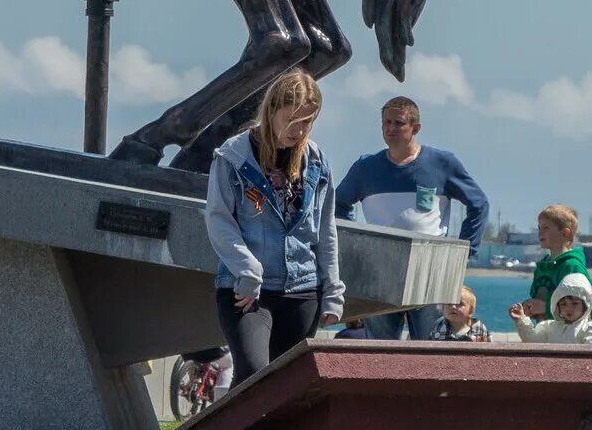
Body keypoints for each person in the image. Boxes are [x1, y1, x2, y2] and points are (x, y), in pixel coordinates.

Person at [205, 69, 344, 382]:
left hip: (302, 291)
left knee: (286, 386)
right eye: (292, 120)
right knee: (254, 375)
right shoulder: (233, 156)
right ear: (271, 111)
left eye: (307, 121)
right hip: (247, 291)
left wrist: (333, 290)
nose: (299, 130)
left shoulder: (317, 160)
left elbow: (325, 231)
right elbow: (218, 219)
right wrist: (247, 269)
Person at [334, 95, 491, 337]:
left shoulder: (442, 163)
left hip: (430, 269)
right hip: (379, 271)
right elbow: (337, 204)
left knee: (431, 346)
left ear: (415, 128)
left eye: (398, 123)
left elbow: (478, 204)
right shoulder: (365, 168)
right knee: (381, 350)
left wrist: (464, 252)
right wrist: (356, 248)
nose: (390, 129)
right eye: (386, 123)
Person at [521, 205, 590, 318]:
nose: (540, 233)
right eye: (539, 228)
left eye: (546, 228)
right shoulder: (542, 267)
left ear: (565, 234)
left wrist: (545, 307)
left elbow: (582, 307)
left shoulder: (572, 267)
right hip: (544, 332)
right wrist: (528, 308)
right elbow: (537, 299)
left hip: (566, 334)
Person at [510, 270, 592, 344]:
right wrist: (521, 320)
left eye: (575, 303)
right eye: (563, 304)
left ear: (586, 305)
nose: (568, 308)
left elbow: (590, 355)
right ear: (557, 307)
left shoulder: (591, 328)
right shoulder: (549, 327)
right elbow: (532, 341)